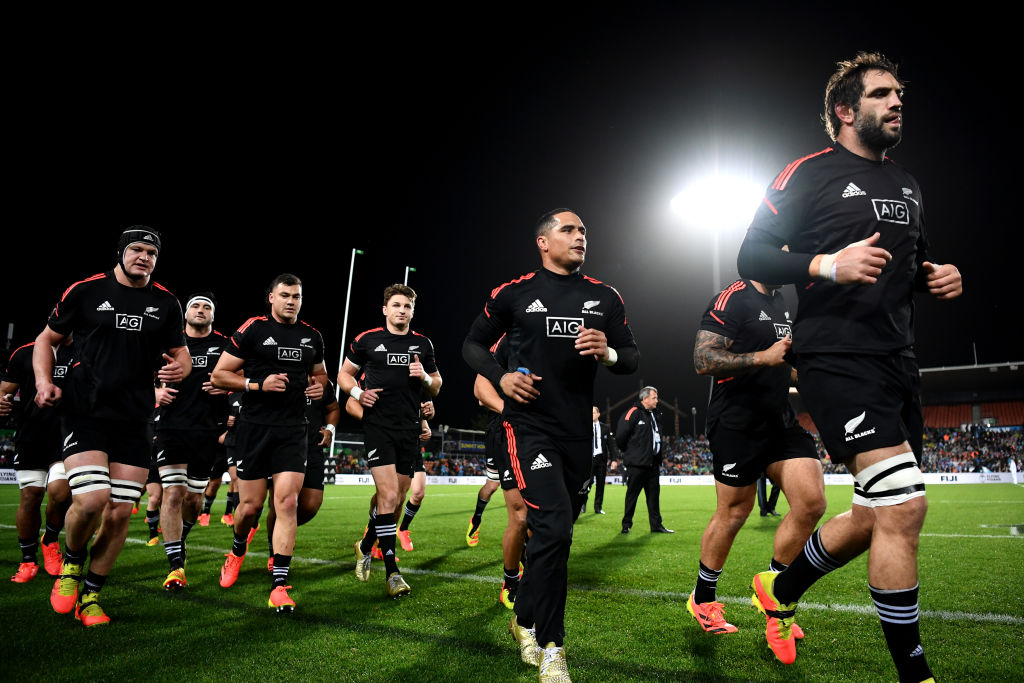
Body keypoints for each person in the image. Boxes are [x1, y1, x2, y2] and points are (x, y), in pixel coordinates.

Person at [736, 52, 962, 679]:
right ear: (845, 110)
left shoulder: (908, 185)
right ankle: (916, 674)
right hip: (836, 356)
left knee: (874, 512)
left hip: (898, 360)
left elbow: (910, 264)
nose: (897, 104)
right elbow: (748, 252)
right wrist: (822, 264)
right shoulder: (807, 173)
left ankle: (779, 590)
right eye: (883, 94)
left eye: (900, 96)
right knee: (905, 507)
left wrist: (935, 276)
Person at [463, 208, 639, 681]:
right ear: (543, 242)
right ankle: (552, 646)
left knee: (556, 536)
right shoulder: (515, 293)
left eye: (584, 230)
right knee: (555, 528)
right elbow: (472, 347)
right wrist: (502, 379)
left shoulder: (605, 297)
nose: (580, 236)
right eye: (569, 230)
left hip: (579, 433)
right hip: (529, 427)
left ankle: (522, 619)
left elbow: (632, 358)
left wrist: (610, 351)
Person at [34, 226, 190, 626]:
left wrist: (181, 367)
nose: (144, 257)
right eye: (137, 250)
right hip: (85, 410)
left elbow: (181, 355)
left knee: (120, 514)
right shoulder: (85, 291)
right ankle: (71, 564)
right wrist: (43, 381)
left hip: (135, 418)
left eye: (152, 253)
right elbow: (45, 339)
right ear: (121, 252)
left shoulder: (166, 303)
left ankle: (92, 596)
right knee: (90, 500)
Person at [686, 277, 826, 637]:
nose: (789, 252)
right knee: (734, 512)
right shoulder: (731, 299)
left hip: (779, 420)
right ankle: (702, 599)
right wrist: (763, 357)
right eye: (782, 245)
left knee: (811, 502)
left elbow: (783, 364)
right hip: (736, 422)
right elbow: (703, 359)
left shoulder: (781, 302)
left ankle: (774, 592)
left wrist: (814, 375)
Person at [211, 273, 327, 613]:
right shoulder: (253, 329)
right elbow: (219, 375)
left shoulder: (311, 336)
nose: (292, 301)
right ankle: (236, 549)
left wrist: (320, 386)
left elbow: (319, 374)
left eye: (297, 296)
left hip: (293, 430)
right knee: (248, 508)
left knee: (288, 502)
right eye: (285, 295)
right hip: (254, 428)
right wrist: (257, 385)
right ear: (271, 298)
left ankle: (279, 583)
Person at [338, 284, 441, 598]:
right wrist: (358, 392)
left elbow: (436, 385)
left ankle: (366, 544)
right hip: (378, 428)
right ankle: (393, 572)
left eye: (407, 306)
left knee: (396, 499)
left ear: (412, 311)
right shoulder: (367, 340)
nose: (402, 311)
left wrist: (424, 377)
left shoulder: (423, 344)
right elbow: (343, 376)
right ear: (385, 309)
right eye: (396, 305)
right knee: (387, 494)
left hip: (408, 430)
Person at [153, 293, 230, 590]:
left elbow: (240, 377)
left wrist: (225, 386)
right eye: (196, 306)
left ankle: (179, 540)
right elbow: (138, 371)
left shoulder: (225, 346)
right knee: (172, 493)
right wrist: (155, 394)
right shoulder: (168, 343)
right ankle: (176, 566)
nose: (201, 310)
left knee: (193, 499)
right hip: (171, 427)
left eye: (207, 307)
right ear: (185, 314)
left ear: (213, 315)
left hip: (207, 431)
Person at [1, 332, 75, 582]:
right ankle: (28, 560)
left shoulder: (83, 351)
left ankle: (51, 540)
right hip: (30, 435)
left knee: (61, 491)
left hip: (67, 434)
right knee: (30, 496)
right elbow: (5, 392)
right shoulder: (23, 352)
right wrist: (2, 401)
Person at [470, 335, 528, 609]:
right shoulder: (507, 341)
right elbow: (480, 391)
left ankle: (531, 566)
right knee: (518, 512)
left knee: (544, 516)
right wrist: (508, 409)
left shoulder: (557, 333)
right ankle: (510, 579)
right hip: (506, 432)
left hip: (549, 434)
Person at [264, 379, 341, 572]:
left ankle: (283, 532)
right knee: (278, 504)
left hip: (313, 447)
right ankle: (275, 551)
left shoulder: (323, 383)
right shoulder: (281, 374)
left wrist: (330, 429)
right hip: (283, 445)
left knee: (310, 505)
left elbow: (333, 409)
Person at [617, 387, 672, 534]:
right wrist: (633, 454)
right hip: (637, 464)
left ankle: (656, 525)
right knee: (632, 495)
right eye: (654, 397)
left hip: (653, 463)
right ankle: (626, 525)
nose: (657, 400)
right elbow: (621, 437)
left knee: (654, 497)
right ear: (645, 399)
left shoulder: (654, 414)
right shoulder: (633, 412)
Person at [581, 406, 615, 515]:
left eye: (594, 413)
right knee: (587, 483)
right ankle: (582, 504)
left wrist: (614, 459)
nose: (592, 415)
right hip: (588, 460)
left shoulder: (605, 428)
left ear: (598, 414)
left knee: (600, 485)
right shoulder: (584, 427)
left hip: (601, 459)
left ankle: (598, 507)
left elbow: (611, 445)